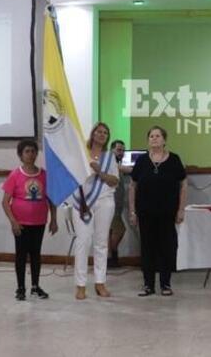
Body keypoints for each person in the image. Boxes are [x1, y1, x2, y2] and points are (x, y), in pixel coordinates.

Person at [129, 126, 187, 296]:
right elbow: (133, 186)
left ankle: (165, 284)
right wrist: (132, 211)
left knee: (167, 248)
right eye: (151, 136)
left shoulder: (174, 159)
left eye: (158, 136)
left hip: (168, 213)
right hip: (145, 213)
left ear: (164, 140)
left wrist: (181, 209)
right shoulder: (141, 161)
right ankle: (148, 284)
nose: (154, 138)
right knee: (147, 248)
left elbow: (183, 185)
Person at [1, 140, 58, 300]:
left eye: (33, 151)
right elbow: (5, 202)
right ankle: (20, 288)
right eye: (27, 151)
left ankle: (35, 286)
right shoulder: (15, 175)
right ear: (20, 155)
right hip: (21, 224)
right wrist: (13, 221)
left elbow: (51, 199)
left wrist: (54, 219)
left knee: (36, 254)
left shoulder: (44, 174)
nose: (31, 154)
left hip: (39, 222)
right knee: (21, 255)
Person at [72, 122, 119, 300]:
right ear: (92, 134)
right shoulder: (81, 155)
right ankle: (81, 285)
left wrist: (100, 172)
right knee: (83, 242)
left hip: (105, 201)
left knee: (101, 243)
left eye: (105, 133)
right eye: (99, 131)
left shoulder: (109, 157)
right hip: (82, 202)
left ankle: (100, 282)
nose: (102, 134)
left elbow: (114, 181)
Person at [108, 139, 132, 268]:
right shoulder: (111, 163)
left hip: (116, 207)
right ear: (111, 150)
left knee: (112, 232)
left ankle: (111, 258)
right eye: (118, 149)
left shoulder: (117, 164)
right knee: (120, 230)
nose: (121, 152)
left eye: (123, 150)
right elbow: (126, 169)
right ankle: (112, 255)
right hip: (111, 206)